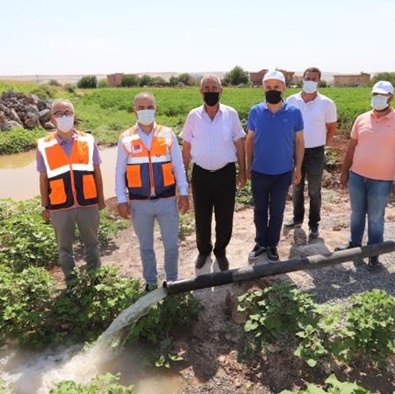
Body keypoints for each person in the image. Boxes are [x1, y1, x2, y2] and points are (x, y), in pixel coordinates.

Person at [116, 92, 190, 290]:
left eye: (149, 107)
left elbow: (178, 166)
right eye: (141, 108)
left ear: (155, 108)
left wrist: (184, 193)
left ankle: (172, 280)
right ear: (134, 111)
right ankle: (150, 281)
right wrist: (121, 199)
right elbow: (119, 172)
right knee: (146, 247)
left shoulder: (167, 134)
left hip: (166, 200)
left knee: (171, 245)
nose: (145, 111)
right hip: (139, 203)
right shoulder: (125, 138)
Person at [337, 81, 395, 269]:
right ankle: (354, 244)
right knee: (356, 213)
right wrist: (344, 172)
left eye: (382, 95)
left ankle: (374, 253)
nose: (377, 98)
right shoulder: (362, 119)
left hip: (382, 180)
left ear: (391, 97)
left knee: (375, 217)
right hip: (357, 176)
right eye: (375, 94)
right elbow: (351, 147)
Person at [180, 75, 247, 271]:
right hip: (200, 173)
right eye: (207, 88)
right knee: (202, 215)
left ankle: (220, 251)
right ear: (201, 91)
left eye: (214, 88)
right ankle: (204, 251)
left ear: (221, 90)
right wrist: (183, 173)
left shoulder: (230, 114)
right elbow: (186, 146)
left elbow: (239, 143)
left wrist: (243, 170)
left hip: (225, 173)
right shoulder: (193, 116)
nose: (211, 91)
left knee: (225, 215)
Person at [36, 99, 105, 284]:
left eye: (68, 112)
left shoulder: (88, 140)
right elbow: (43, 179)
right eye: (59, 113)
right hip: (59, 205)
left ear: (74, 115)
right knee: (64, 248)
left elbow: (96, 171)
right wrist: (45, 206)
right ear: (52, 118)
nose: (64, 116)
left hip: (87, 202)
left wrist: (101, 199)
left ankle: (95, 279)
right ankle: (72, 282)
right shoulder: (43, 145)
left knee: (92, 243)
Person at [245, 70, 304, 262]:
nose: (272, 90)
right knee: (259, 210)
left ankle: (272, 245)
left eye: (276, 87)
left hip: (283, 173)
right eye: (268, 87)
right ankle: (261, 242)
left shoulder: (294, 113)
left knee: (277, 211)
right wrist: (248, 166)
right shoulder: (255, 111)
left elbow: (299, 141)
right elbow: (250, 140)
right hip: (259, 171)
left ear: (284, 88)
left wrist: (298, 168)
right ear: (263, 88)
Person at [284, 67, 338, 239]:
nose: (310, 81)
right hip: (295, 150)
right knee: (297, 187)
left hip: (315, 152)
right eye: (307, 78)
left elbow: (331, 129)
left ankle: (314, 223)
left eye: (313, 79)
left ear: (319, 81)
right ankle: (297, 218)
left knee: (314, 190)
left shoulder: (326, 103)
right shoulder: (291, 100)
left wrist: (321, 144)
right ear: (302, 79)